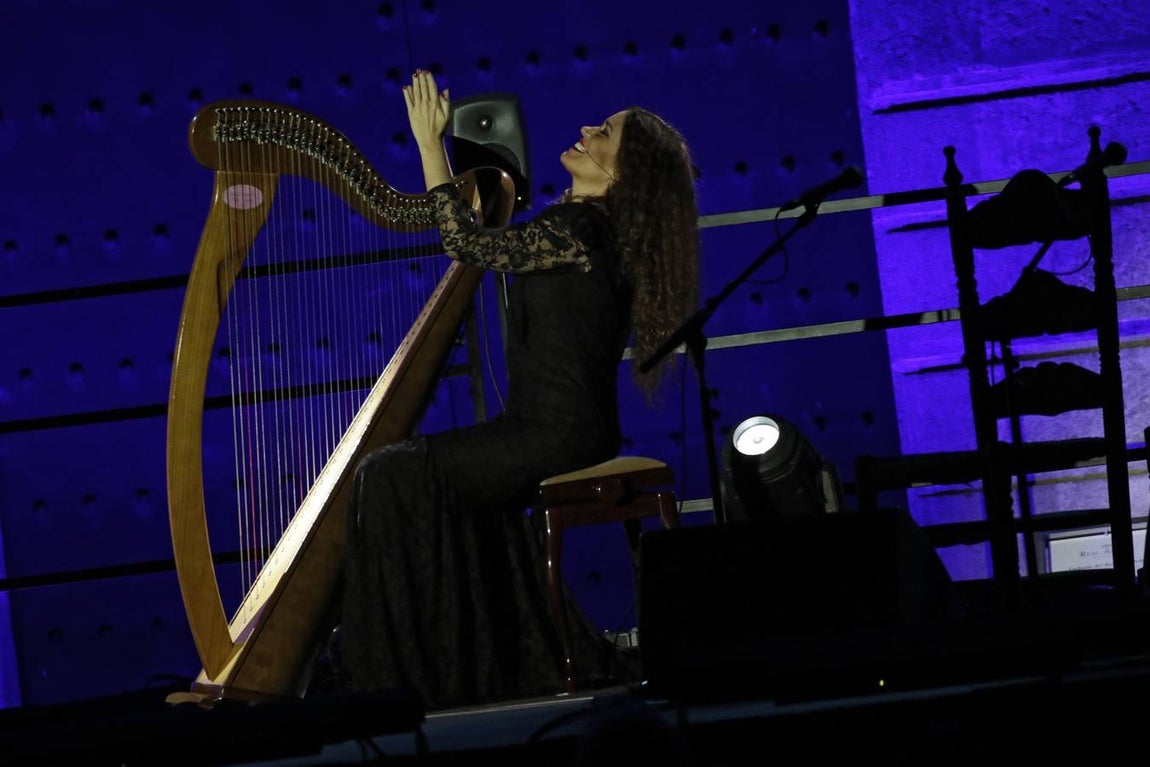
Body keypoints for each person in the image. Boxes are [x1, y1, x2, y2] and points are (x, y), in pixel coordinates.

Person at [337, 69, 700, 710]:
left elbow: (465, 243)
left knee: (391, 474)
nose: (588, 131)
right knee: (404, 474)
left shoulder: (580, 234)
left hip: (553, 434)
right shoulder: (581, 228)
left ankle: (413, 675)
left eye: (606, 132)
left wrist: (430, 145)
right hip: (550, 426)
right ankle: (469, 660)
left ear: (624, 173)